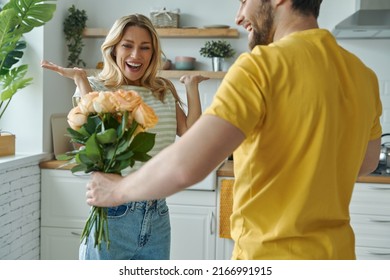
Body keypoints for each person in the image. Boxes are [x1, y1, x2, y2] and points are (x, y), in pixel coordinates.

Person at [85, 0, 383, 260]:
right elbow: (366, 162)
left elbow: (188, 165)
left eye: (243, 1)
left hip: (269, 258)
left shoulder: (261, 67)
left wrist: (116, 190)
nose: (239, 16)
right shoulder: (362, 75)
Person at [42, 13, 208, 260]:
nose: (135, 55)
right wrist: (80, 81)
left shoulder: (163, 90)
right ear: (113, 49)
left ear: (153, 53)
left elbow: (190, 132)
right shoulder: (97, 88)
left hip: (157, 213)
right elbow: (91, 143)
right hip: (113, 215)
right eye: (127, 46)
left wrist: (191, 87)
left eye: (145, 48)